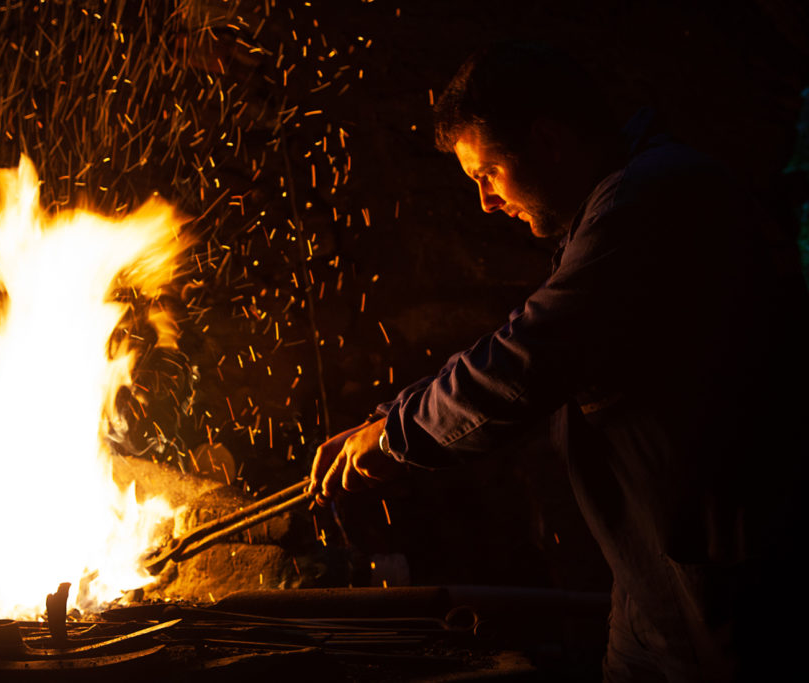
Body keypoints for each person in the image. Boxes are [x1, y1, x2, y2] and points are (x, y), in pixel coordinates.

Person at [309, 42, 809, 682]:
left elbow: (529, 356)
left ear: (547, 139)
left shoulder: (657, 197)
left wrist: (398, 435)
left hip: (737, 579)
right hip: (655, 580)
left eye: (486, 175)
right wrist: (390, 418)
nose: (486, 202)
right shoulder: (614, 204)